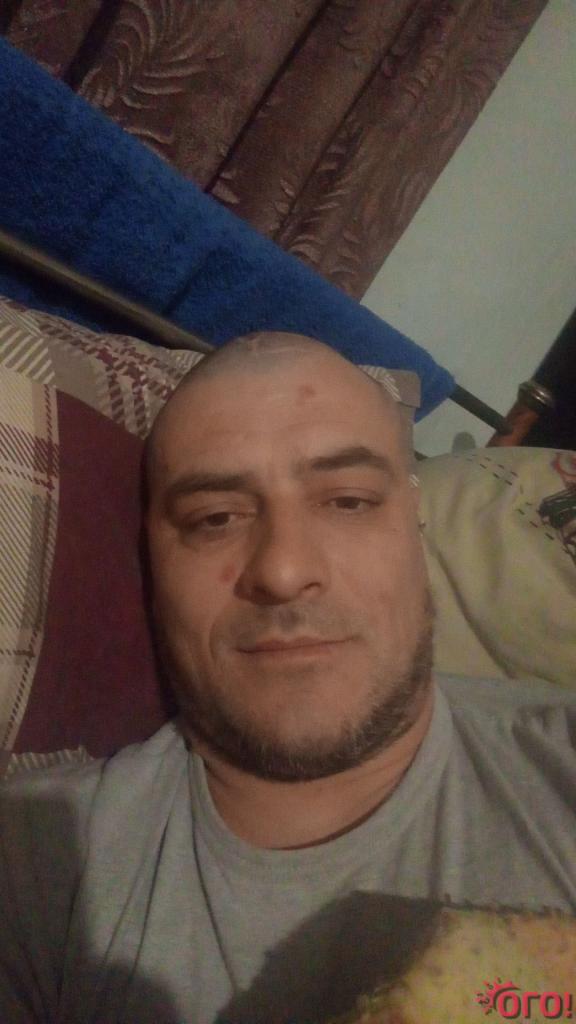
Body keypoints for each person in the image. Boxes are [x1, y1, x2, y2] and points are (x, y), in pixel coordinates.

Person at [0, 332, 575, 1024]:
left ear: (415, 528)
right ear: (150, 564)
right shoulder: (37, 863)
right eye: (215, 518)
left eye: (349, 501)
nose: (282, 569)